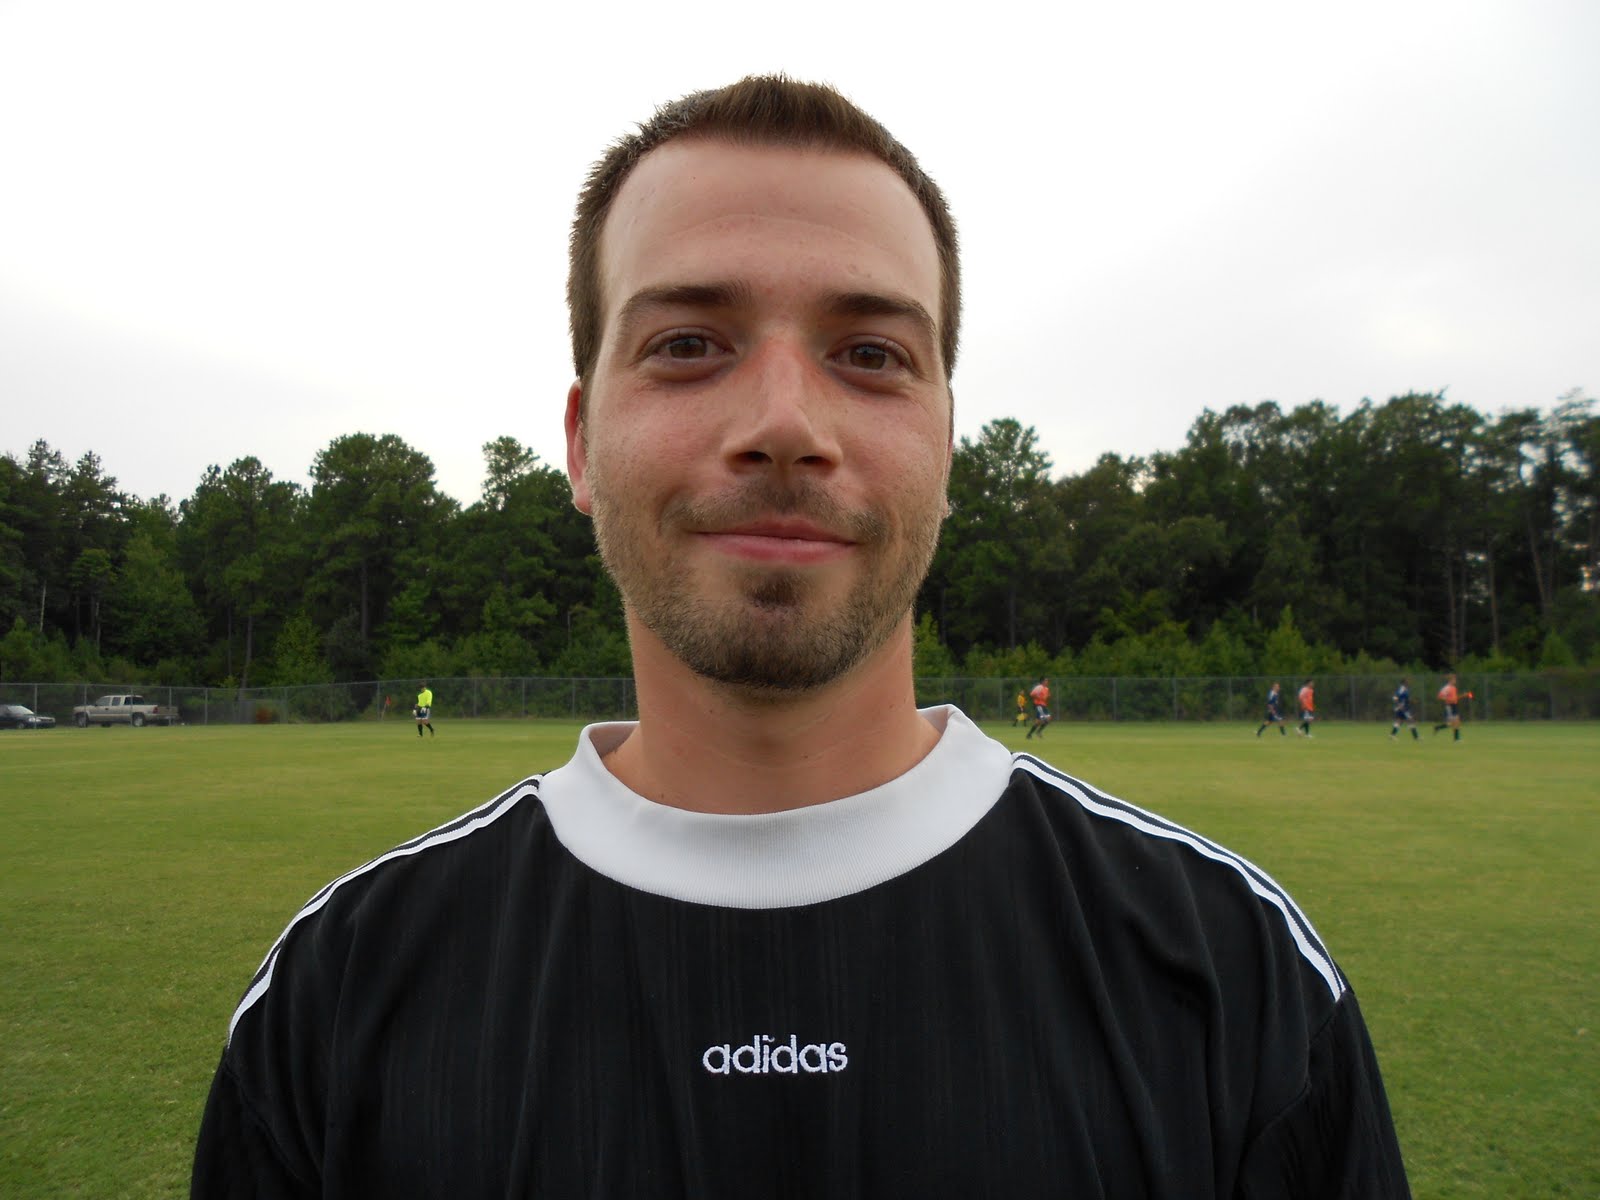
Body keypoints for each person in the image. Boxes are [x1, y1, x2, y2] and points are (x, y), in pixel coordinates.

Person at [193, 76, 1409, 1197]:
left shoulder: (1235, 974)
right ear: (577, 440)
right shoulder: (339, 993)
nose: (784, 424)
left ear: (947, 447)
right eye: (687, 345)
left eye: (871, 355)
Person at [1434, 674, 1463, 740]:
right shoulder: (1446, 688)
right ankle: (1438, 728)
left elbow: (1454, 697)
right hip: (1449, 706)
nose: (1455, 681)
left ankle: (1456, 739)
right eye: (1454, 679)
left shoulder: (1454, 688)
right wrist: (1448, 699)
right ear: (1450, 680)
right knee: (1452, 723)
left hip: (1454, 705)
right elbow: (1440, 696)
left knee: (1456, 722)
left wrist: (1456, 698)